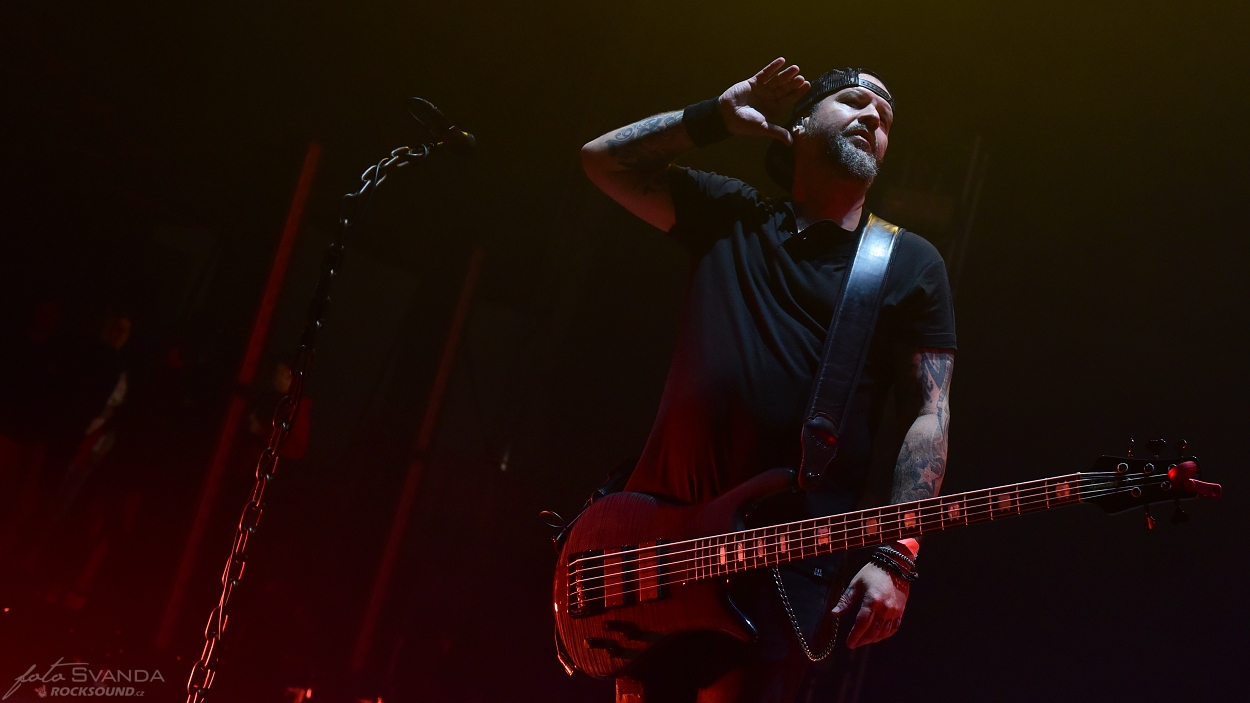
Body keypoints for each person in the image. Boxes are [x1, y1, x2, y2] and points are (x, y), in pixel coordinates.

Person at [580, 59, 957, 702]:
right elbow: (602, 161)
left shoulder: (908, 262)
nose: (872, 116)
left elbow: (931, 412)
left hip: (782, 560)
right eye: (853, 101)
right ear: (799, 126)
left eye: (885, 119)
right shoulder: (733, 215)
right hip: (663, 542)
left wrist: (896, 554)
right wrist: (715, 118)